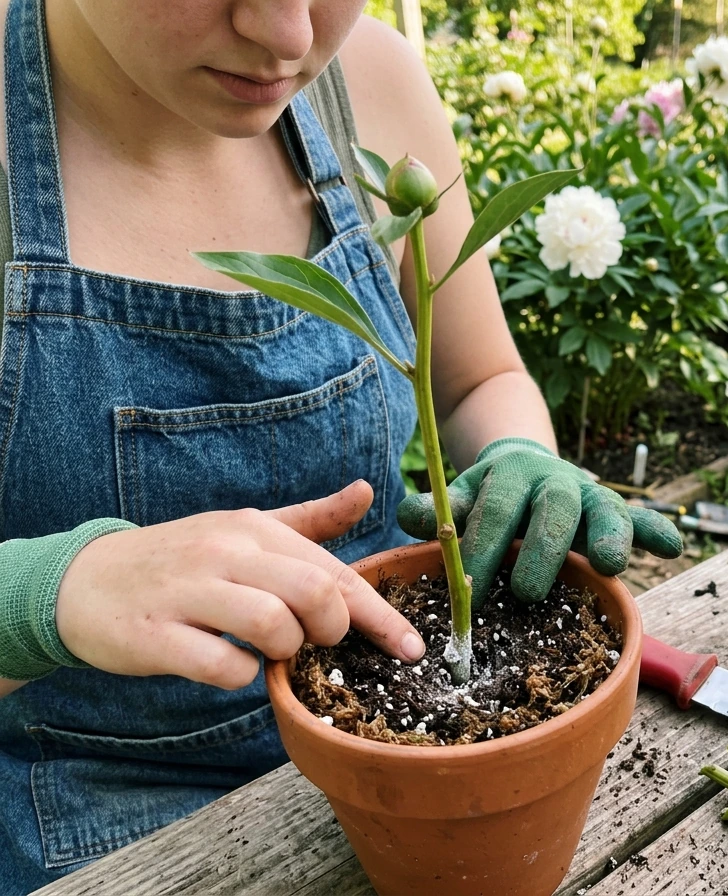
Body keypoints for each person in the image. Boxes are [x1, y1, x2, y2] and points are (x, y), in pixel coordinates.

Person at [0, 1, 681, 890]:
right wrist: (43, 596)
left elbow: (478, 381)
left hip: (416, 765)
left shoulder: (372, 82)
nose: (289, 38)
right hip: (109, 831)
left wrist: (520, 458)